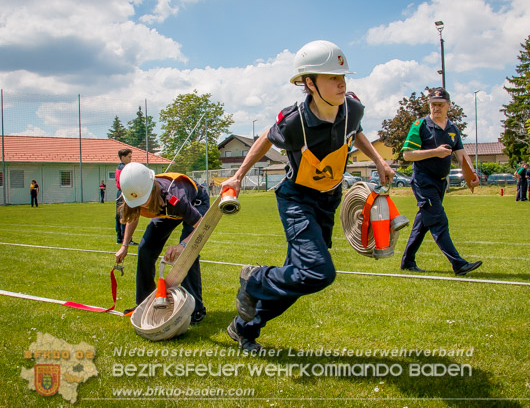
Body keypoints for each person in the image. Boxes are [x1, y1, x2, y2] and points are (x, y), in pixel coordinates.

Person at [221, 40, 395, 351]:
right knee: (318, 273)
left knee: (297, 279)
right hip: (297, 201)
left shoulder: (352, 108)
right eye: (332, 78)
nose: (341, 83)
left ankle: (243, 329)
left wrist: (379, 160)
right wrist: (238, 175)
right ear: (309, 83)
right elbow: (264, 138)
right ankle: (254, 278)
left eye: (343, 77)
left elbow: (355, 133)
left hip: (328, 202)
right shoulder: (293, 122)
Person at [399, 87, 482, 276]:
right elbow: (407, 155)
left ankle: (407, 261)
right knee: (438, 220)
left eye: (440, 105)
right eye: (433, 105)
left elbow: (461, 155)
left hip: (441, 183)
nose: (436, 108)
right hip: (423, 182)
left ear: (448, 106)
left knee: (423, 224)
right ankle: (458, 264)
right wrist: (435, 152)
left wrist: (471, 175)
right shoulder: (420, 125)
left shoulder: (453, 129)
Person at [114, 162, 210, 325]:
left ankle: (196, 309)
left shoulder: (175, 197)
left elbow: (201, 226)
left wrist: (183, 246)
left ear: (152, 188)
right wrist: (124, 246)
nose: (141, 205)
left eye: (144, 201)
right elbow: (133, 216)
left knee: (188, 255)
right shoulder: (134, 195)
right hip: (166, 211)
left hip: (194, 203)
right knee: (145, 249)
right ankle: (144, 303)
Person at [115, 149, 137, 245]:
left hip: (120, 193)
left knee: (119, 215)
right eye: (129, 157)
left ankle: (119, 237)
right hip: (124, 193)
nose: (131, 159)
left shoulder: (119, 167)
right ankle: (126, 239)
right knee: (126, 215)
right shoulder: (124, 168)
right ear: (123, 157)